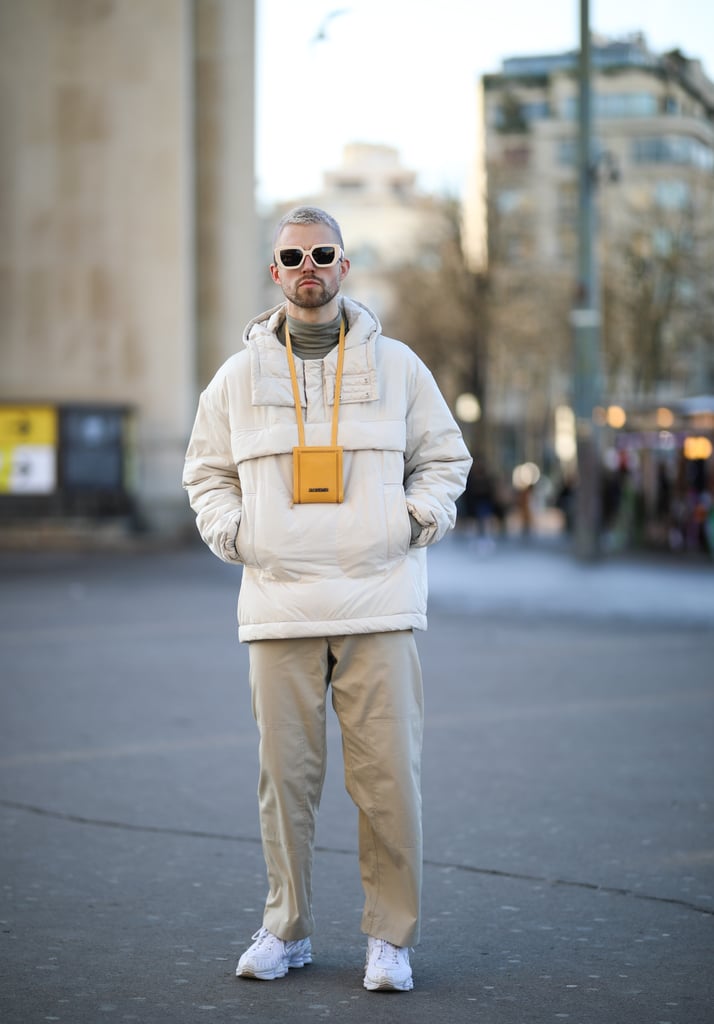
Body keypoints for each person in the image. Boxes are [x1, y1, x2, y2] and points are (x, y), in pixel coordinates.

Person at [182, 206, 471, 992]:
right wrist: (239, 536)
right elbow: (205, 473)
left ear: (345, 266)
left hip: (379, 598)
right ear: (274, 274)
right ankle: (287, 929)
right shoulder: (236, 378)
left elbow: (445, 456)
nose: (308, 265)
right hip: (279, 599)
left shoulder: (402, 366)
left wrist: (413, 518)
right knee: (286, 781)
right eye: (292, 255)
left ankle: (391, 939)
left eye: (323, 252)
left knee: (388, 781)